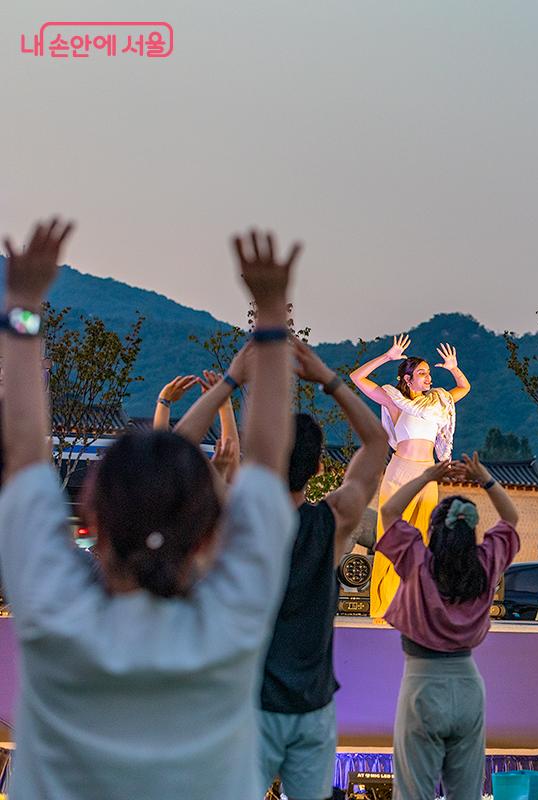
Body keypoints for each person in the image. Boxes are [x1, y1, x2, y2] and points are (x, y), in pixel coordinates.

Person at [0, 220, 300, 799]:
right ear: (208, 530)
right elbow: (266, 462)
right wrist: (269, 318)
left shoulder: (56, 611)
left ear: (96, 514)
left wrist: (22, 305)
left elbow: (21, 455)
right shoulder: (231, 619)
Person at [178, 337, 388, 800]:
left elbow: (175, 451)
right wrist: (329, 380)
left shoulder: (236, 522)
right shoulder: (333, 522)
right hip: (312, 707)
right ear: (317, 466)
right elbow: (377, 444)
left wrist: (232, 382)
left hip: (249, 705)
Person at [376, 453, 519, 800]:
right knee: (465, 794)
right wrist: (484, 478)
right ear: (471, 532)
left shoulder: (417, 560)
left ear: (433, 530)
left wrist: (427, 476)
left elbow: (389, 512)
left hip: (422, 684)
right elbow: (511, 519)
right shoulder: (485, 565)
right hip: (469, 686)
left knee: (414, 793)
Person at [351, 334, 470, 618]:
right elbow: (356, 377)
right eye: (422, 373)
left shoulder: (438, 401)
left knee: (426, 540)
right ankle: (385, 605)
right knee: (393, 538)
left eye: (429, 373)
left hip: (427, 474)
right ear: (407, 378)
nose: (428, 377)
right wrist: (387, 357)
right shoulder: (394, 400)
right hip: (400, 473)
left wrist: (453, 367)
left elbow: (464, 387)